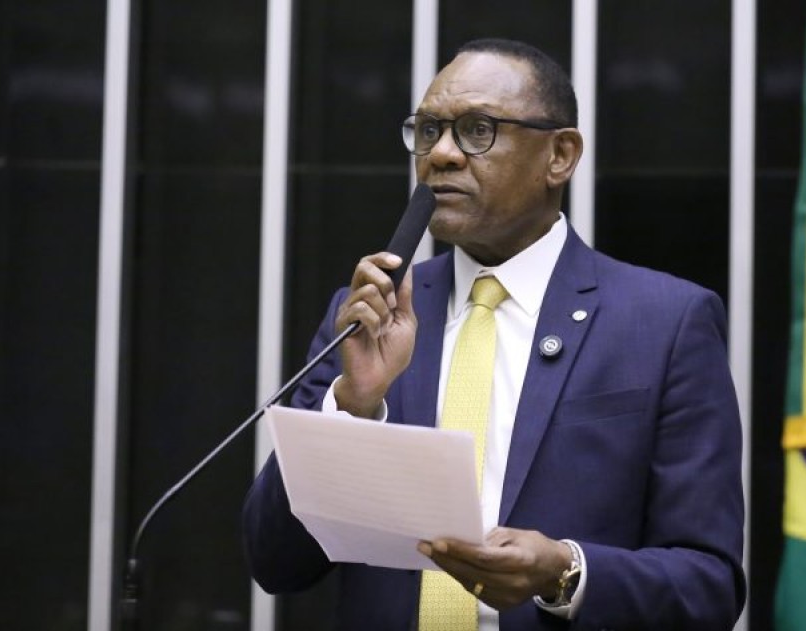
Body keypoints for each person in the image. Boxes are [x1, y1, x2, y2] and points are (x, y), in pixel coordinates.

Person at [243, 38, 745, 630]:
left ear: (560, 155)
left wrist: (566, 572)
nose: (441, 155)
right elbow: (274, 560)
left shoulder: (664, 323)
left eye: (477, 130)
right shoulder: (371, 316)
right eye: (429, 130)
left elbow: (708, 586)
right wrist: (353, 407)